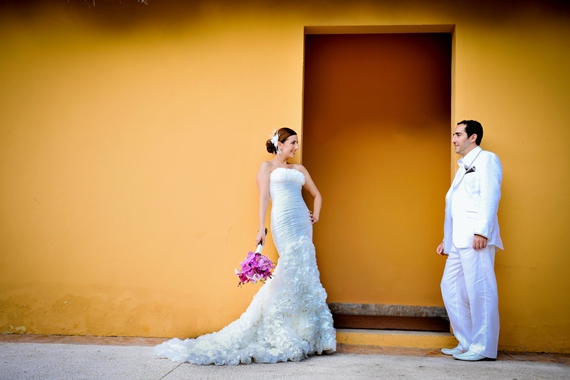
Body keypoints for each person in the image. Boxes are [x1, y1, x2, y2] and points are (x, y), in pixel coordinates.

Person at [154, 127, 336, 365]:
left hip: (302, 221)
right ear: (279, 144)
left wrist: (317, 215)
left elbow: (317, 195)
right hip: (283, 221)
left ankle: (307, 330)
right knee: (290, 266)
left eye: (297, 143)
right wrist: (261, 228)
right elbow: (263, 198)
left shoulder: (299, 169)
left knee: (305, 268)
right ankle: (278, 323)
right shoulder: (266, 168)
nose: (296, 147)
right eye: (293, 142)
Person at [436, 120, 503, 361]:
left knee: (480, 291)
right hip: (458, 241)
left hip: (476, 238)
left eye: (458, 134)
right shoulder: (462, 167)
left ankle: (483, 347)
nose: (453, 139)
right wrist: (447, 239)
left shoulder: (487, 160)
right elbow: (455, 206)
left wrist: (482, 232)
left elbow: (490, 196)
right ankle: (467, 342)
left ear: (472, 137)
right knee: (450, 287)